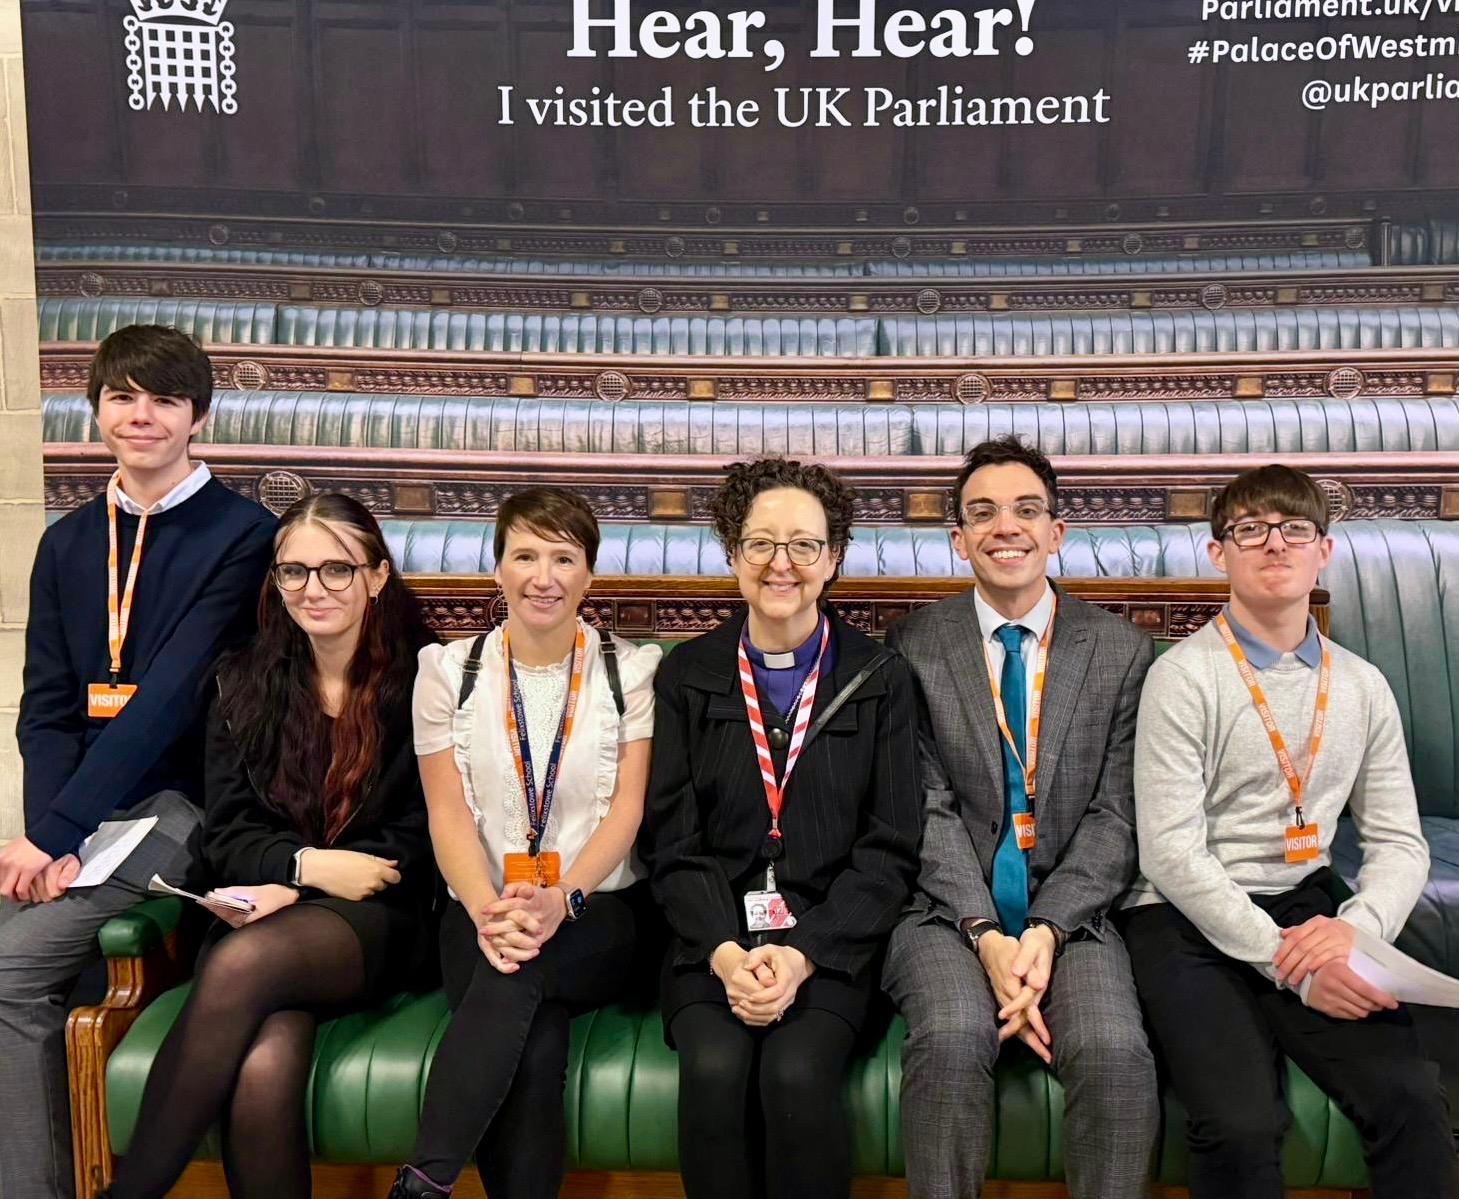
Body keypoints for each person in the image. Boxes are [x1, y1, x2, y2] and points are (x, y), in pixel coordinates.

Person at [1121, 464, 1456, 1199]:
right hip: (1182, 921)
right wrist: (1287, 963)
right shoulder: (1181, 677)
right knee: (1238, 1124)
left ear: (1322, 550)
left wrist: (1353, 931)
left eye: (1293, 528)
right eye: (1249, 529)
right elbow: (1171, 852)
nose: (1273, 543)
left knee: (1410, 1099)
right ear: (1219, 554)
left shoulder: (1362, 685)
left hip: (1308, 911)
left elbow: (1398, 839)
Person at [0, 325, 275, 1199]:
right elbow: (46, 707)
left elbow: (167, 701)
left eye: (163, 399)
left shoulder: (243, 534)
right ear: (96, 411)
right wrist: (52, 831)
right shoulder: (69, 543)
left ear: (197, 416)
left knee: (8, 970)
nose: (141, 415)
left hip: (179, 803)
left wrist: (57, 830)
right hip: (83, 812)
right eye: (122, 396)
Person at [101, 492, 438, 1199]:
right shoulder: (241, 682)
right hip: (265, 908)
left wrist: (313, 880)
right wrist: (300, 869)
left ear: (376, 575)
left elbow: (422, 832)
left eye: (336, 570)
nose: (313, 589)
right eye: (294, 572)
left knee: (239, 965)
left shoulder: (430, 676)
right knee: (263, 1061)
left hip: (385, 919)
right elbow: (229, 831)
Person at [883, 435, 1159, 1199]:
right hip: (943, 911)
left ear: (1056, 532)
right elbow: (923, 806)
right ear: (957, 539)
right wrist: (984, 933)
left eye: (1026, 510)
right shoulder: (913, 646)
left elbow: (1116, 814)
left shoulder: (1120, 650)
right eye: (982, 513)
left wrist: (1043, 930)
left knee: (1111, 1052)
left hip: (1074, 917)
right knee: (949, 1036)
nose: (1006, 527)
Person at [639, 456, 922, 1199]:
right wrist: (729, 955)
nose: (780, 563)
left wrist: (802, 957)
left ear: (832, 557)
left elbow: (890, 846)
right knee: (713, 1068)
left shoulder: (880, 678)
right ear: (732, 552)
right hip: (710, 939)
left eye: (803, 544)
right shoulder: (686, 675)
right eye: (760, 542)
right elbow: (671, 839)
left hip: (830, 942)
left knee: (797, 1071)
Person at [389, 487, 661, 1199]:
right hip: (476, 911)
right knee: (533, 1039)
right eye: (526, 555)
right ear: (498, 569)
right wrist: (488, 908)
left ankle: (423, 1182)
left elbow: (626, 811)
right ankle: (426, 1181)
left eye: (563, 557)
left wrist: (558, 899)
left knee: (514, 978)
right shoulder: (446, 671)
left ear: (589, 576)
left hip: (596, 913)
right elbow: (446, 814)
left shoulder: (629, 670)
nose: (544, 575)